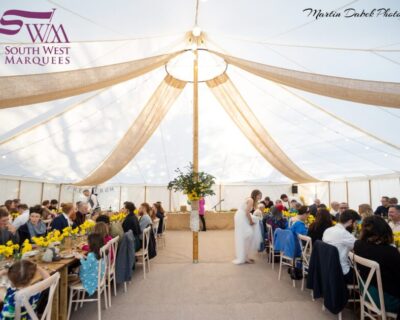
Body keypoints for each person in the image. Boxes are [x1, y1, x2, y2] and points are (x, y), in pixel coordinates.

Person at [354, 215, 400, 314]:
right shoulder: (389, 252)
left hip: (366, 292)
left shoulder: (358, 245)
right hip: (385, 299)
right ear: (385, 230)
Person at [323, 209, 360, 284]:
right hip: (342, 273)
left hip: (327, 269)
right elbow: (360, 248)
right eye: (356, 223)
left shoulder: (328, 230)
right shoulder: (344, 234)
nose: (356, 226)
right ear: (350, 222)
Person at [232, 189, 262, 265]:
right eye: (259, 195)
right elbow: (246, 212)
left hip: (241, 216)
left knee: (246, 236)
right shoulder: (251, 200)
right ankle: (244, 257)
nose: (260, 197)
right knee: (248, 234)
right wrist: (251, 221)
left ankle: (245, 256)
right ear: (256, 194)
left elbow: (247, 212)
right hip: (241, 216)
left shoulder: (250, 199)